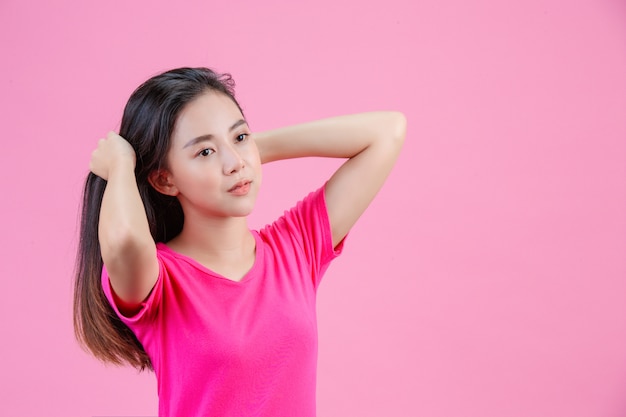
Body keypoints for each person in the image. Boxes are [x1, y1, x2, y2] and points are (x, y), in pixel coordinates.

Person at [73, 67, 406, 417]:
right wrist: (122, 166)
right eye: (204, 153)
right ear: (165, 179)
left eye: (240, 137)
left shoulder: (295, 247)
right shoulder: (160, 281)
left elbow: (387, 132)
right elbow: (125, 241)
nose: (233, 164)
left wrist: (248, 151)